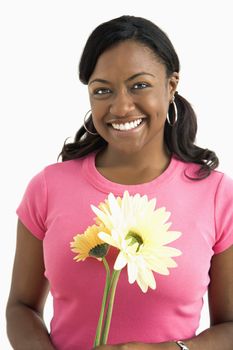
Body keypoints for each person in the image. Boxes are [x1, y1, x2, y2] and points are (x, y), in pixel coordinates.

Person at [6, 15, 233, 350]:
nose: (122, 106)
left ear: (171, 86)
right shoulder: (47, 188)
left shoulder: (216, 195)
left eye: (139, 85)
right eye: (103, 90)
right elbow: (20, 308)